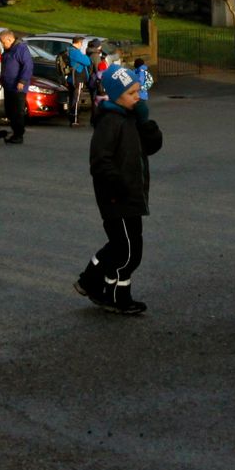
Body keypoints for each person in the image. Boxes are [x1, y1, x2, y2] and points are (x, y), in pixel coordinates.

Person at [76, 65, 164, 315]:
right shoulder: (110, 121)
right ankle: (116, 296)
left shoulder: (131, 118)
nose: (137, 97)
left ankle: (91, 282)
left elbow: (153, 146)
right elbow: (100, 162)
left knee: (121, 246)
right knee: (128, 252)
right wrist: (119, 185)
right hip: (117, 197)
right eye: (131, 93)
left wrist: (145, 121)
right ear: (116, 96)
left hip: (132, 195)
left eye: (138, 92)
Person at [0, 28, 33, 145]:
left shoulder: (21, 49)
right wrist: (1, 79)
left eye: (3, 42)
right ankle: (15, 133)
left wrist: (22, 80)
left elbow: (28, 65)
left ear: (9, 39)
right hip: (8, 86)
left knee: (18, 112)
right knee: (10, 111)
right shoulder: (8, 51)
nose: (2, 45)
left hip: (18, 87)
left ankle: (18, 135)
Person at [64, 36, 95, 125]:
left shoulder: (69, 51)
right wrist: (85, 56)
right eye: (81, 43)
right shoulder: (75, 52)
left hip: (72, 78)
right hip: (78, 78)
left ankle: (72, 118)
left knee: (72, 98)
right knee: (76, 99)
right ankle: (75, 120)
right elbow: (88, 61)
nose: (82, 45)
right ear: (78, 43)